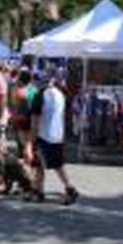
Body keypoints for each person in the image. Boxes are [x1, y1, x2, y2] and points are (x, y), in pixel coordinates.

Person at [30, 75, 79, 205]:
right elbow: (62, 117)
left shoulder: (40, 95)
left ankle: (69, 188)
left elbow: (35, 119)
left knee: (47, 164)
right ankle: (38, 191)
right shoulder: (60, 94)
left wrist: (32, 139)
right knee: (51, 164)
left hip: (43, 135)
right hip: (57, 135)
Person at [9, 69, 36, 163]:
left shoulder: (18, 91)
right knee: (29, 142)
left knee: (23, 144)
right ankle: (30, 159)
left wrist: (12, 118)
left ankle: (26, 160)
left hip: (21, 119)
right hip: (32, 118)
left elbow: (14, 107)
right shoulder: (34, 90)